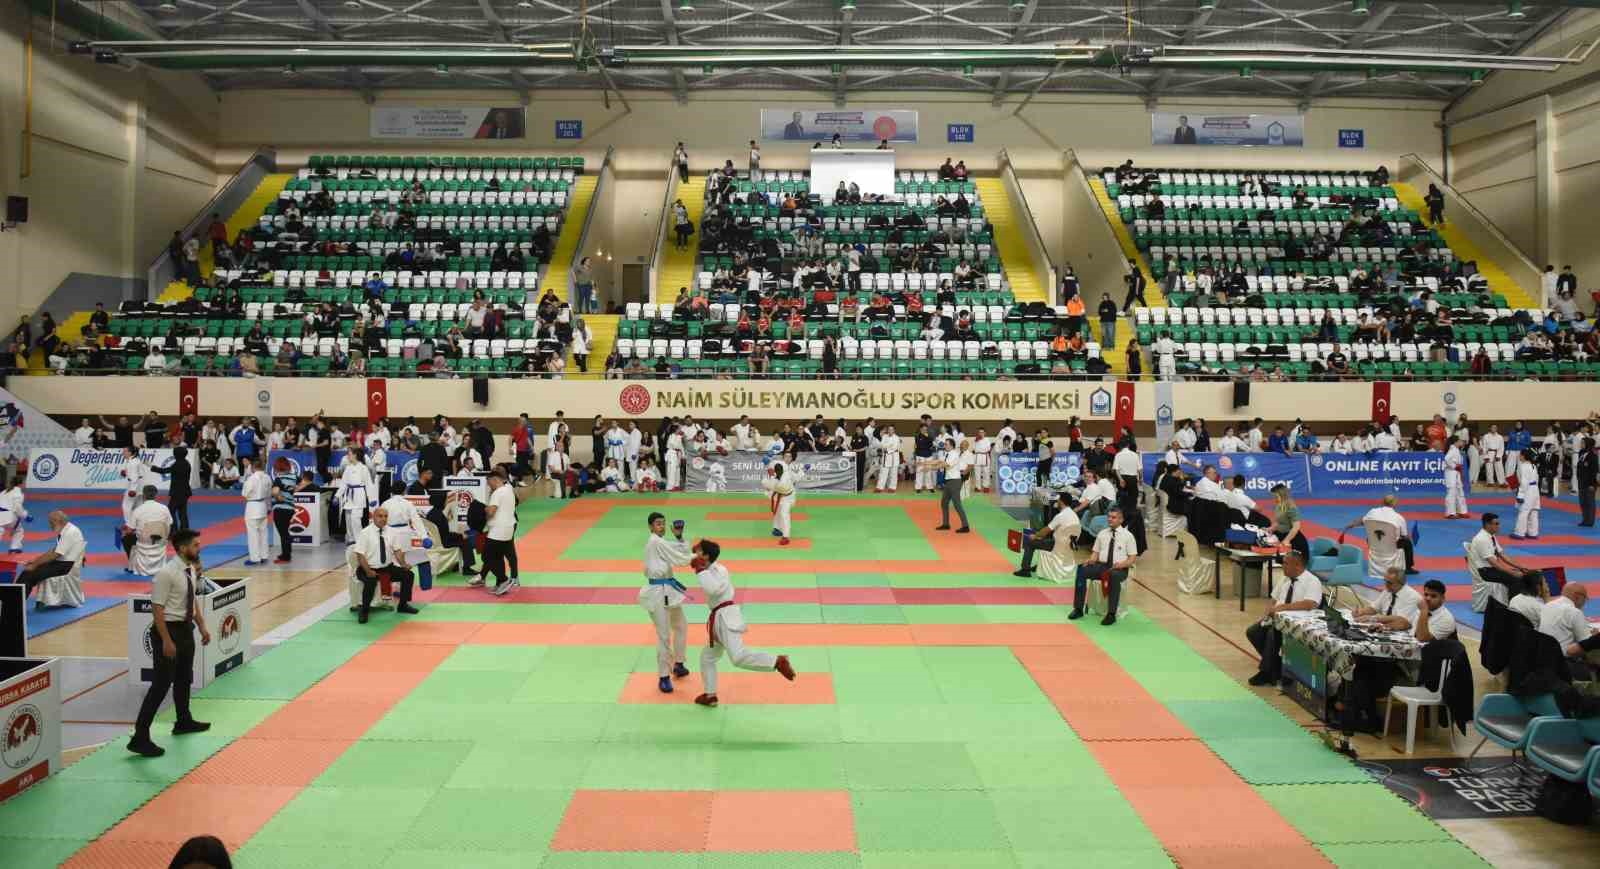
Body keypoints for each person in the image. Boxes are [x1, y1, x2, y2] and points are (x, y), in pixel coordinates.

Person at [129, 528, 211, 757]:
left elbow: (191, 599)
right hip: (169, 631)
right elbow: (157, 609)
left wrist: (202, 625)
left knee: (184, 678)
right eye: (195, 544)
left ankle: (183, 720)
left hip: (185, 629)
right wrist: (166, 640)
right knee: (160, 685)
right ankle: (140, 736)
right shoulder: (166, 573)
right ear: (183, 548)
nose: (199, 547)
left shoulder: (189, 570)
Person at [690, 538, 796, 707]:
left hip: (726, 616)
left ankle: (776, 661)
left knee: (738, 657)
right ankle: (710, 695)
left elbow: (713, 589)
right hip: (719, 617)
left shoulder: (719, 570)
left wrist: (700, 570)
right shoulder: (709, 569)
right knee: (707, 657)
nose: (695, 552)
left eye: (699, 551)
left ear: (707, 556)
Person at [1245, 551, 1323, 686]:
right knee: (1253, 631)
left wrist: (1283, 608)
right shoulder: (1285, 578)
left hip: (1297, 625)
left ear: (1297, 565)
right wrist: (1265, 615)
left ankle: (1266, 672)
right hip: (1276, 619)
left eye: (1286, 563)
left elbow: (1310, 603)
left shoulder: (1312, 581)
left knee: (1272, 634)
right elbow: (1273, 599)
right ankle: (1276, 668)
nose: (1282, 566)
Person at [641, 512, 694, 693]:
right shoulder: (655, 542)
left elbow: (677, 550)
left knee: (681, 626)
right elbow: (680, 558)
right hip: (657, 593)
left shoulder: (661, 542)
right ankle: (663, 676)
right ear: (650, 526)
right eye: (657, 524)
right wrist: (700, 557)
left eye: (663, 523)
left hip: (669, 591)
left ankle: (678, 664)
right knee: (664, 635)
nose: (661, 526)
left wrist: (679, 536)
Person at [1067, 507, 1138, 626]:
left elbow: (1132, 558)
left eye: (1114, 517)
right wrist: (1090, 560)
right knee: (1081, 570)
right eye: (1109, 517)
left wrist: (1122, 564)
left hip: (1119, 569)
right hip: (1102, 566)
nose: (1110, 519)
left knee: (1114, 576)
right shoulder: (1102, 533)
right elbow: (1095, 553)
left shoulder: (1128, 536)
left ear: (1121, 519)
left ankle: (1111, 614)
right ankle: (1078, 608)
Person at [351, 506, 419, 624]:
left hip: (387, 568)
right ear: (373, 517)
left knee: (408, 575)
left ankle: (403, 605)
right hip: (366, 568)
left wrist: (403, 564)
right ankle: (364, 610)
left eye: (385, 516)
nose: (383, 519)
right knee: (370, 581)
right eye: (380, 516)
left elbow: (397, 551)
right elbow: (360, 556)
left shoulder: (392, 532)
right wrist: (368, 571)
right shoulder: (365, 533)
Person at [1468, 512, 1544, 601]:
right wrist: (1512, 573)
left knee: (1529, 574)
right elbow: (1494, 563)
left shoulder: (1490, 536)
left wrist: (1521, 567)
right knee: (1516, 579)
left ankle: (1530, 600)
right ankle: (1514, 605)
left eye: (1498, 523)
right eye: (1496, 524)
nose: (1499, 526)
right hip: (1485, 572)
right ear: (1488, 524)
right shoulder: (1481, 539)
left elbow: (1502, 555)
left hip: (1492, 569)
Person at [16, 511, 86, 608]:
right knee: (28, 571)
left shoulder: (70, 532)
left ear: (57, 521)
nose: (50, 525)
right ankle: (15, 600)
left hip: (66, 566)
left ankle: (16, 604)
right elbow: (54, 550)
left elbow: (55, 554)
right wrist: (35, 561)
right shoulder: (67, 529)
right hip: (62, 562)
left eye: (51, 522)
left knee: (29, 574)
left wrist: (34, 565)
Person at [1340, 493, 1418, 575]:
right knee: (1407, 542)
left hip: (1374, 544)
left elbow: (1362, 521)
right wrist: (1411, 536)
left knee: (1370, 537)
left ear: (1382, 502)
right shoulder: (1399, 517)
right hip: (1391, 547)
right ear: (1395, 504)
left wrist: (1351, 525)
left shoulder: (1372, 512)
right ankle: (1408, 568)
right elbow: (1404, 536)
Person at [1014, 498, 1081, 578]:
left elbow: (1046, 530)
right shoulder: (1074, 515)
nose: (1057, 502)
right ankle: (1041, 566)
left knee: (1030, 543)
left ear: (1062, 502)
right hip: (1068, 546)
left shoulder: (1060, 516)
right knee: (1045, 541)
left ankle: (1025, 570)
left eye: (1058, 501)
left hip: (1057, 545)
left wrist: (1035, 536)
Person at [1539, 585, 1595, 679]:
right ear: (1577, 596)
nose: (1585, 602)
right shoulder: (1574, 612)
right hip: (1565, 666)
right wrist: (1594, 637)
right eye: (1585, 598)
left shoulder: (1547, 606)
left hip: (1543, 663)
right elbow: (1587, 646)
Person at [482, 469, 518, 595]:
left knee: (487, 556)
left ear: (494, 480)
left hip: (498, 531)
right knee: (498, 557)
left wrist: (484, 509)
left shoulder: (497, 493)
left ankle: (504, 579)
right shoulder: (509, 489)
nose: (488, 486)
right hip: (508, 529)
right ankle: (499, 584)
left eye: (489, 483)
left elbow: (491, 512)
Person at [1354, 567, 1424, 630]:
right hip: (1385, 627)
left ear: (1401, 583)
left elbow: (1402, 622)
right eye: (1385, 581)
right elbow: (1374, 608)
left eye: (1389, 583)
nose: (1386, 585)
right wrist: (1361, 612)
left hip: (1403, 631)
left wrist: (1373, 618)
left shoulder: (1412, 597)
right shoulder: (1388, 590)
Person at [337, 447, 376, 544]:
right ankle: (351, 539)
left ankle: (359, 540)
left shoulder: (363, 468)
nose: (347, 456)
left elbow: (369, 484)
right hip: (349, 495)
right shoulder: (348, 468)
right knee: (348, 518)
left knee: (356, 519)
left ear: (355, 455)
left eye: (349, 454)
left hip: (359, 495)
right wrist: (337, 496)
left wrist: (371, 498)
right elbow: (343, 483)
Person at [937, 438, 974, 533]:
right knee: (944, 502)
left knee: (957, 504)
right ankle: (946, 524)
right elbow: (939, 461)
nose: (944, 446)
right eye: (961, 444)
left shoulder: (955, 454)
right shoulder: (951, 453)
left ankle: (965, 526)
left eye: (946, 444)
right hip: (949, 480)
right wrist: (926, 464)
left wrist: (963, 476)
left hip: (956, 480)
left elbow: (947, 465)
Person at [239, 458, 271, 566]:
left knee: (253, 533)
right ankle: (264, 556)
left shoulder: (251, 479)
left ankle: (255, 558)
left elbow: (244, 493)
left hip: (252, 507)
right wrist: (268, 507)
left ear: (253, 467)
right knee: (263, 532)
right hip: (263, 506)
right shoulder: (267, 477)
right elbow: (269, 493)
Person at [763, 461, 799, 546]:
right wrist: (767, 463)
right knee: (777, 513)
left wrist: (803, 470)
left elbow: (796, 478)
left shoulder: (782, 480)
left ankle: (786, 536)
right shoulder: (776, 477)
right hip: (779, 496)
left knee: (784, 514)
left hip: (787, 498)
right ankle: (777, 529)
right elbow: (769, 483)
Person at [1268, 483, 1308, 560]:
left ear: (1282, 495)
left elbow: (1296, 527)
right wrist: (1270, 529)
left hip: (1294, 541)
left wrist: (1286, 540)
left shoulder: (1291, 507)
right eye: (1273, 496)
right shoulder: (1278, 505)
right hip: (1281, 536)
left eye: (1276, 497)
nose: (1274, 499)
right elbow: (1278, 522)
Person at [1513, 450, 1541, 538]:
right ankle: (1533, 532)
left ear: (1524, 456)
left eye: (1520, 455)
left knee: (1524, 511)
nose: (1519, 456)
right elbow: (1537, 479)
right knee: (1533, 511)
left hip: (1527, 490)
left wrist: (1520, 494)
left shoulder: (1523, 466)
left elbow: (1524, 482)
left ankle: (1519, 532)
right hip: (1535, 489)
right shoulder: (1533, 465)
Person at [0, 475, 25, 553]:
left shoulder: (3, 492)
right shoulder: (18, 492)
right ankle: (14, 547)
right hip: (9, 517)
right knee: (19, 530)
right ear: (21, 484)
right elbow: (17, 508)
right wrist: (25, 516)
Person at [875, 425, 901, 492]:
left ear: (894, 430)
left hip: (894, 457)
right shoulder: (884, 436)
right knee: (883, 473)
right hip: (885, 458)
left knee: (893, 474)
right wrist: (888, 446)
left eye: (892, 429)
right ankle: (879, 487)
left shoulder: (896, 438)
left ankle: (892, 488)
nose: (890, 431)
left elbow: (895, 447)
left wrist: (887, 448)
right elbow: (882, 445)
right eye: (889, 429)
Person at [1577, 437, 1597, 527]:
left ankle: (1590, 521)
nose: (1581, 444)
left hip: (1589, 483)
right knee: (1582, 502)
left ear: (1587, 444)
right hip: (1581, 481)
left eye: (1582, 443)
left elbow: (1594, 471)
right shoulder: (1581, 453)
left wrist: (1592, 484)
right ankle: (1585, 519)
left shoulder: (1593, 456)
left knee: (1590, 502)